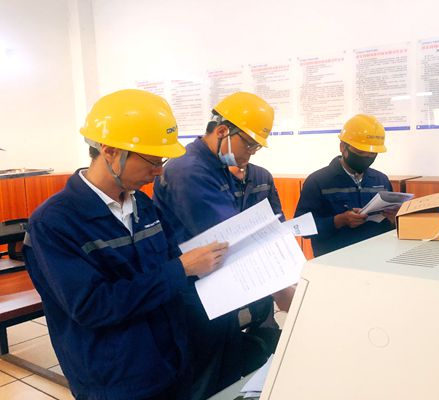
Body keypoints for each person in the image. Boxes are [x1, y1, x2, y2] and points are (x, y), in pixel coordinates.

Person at [23, 89, 228, 400]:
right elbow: (92, 306)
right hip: (117, 381)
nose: (159, 170)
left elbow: (170, 270)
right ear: (110, 152)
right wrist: (181, 269)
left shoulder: (143, 205)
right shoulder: (55, 222)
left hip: (171, 362)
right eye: (152, 160)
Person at [153, 91, 293, 398]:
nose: (251, 154)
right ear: (222, 131)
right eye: (249, 144)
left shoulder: (213, 165)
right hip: (194, 292)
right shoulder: (188, 170)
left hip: (217, 283)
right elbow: (227, 237)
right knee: (205, 375)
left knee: (227, 369)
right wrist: (281, 289)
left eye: (256, 147)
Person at [294, 114, 395, 257]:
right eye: (360, 152)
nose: (366, 157)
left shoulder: (381, 180)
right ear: (343, 147)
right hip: (333, 261)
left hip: (376, 257)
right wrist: (338, 221)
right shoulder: (317, 181)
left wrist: (395, 219)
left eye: (372, 154)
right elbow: (301, 228)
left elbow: (389, 227)